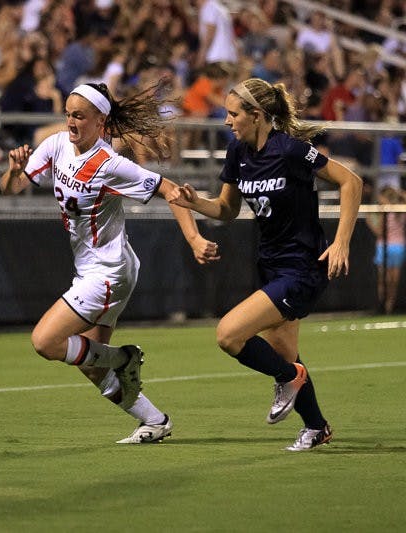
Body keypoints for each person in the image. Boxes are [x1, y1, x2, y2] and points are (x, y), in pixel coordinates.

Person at [0, 81, 220, 444]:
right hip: (96, 268)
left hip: (108, 272)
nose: (71, 123)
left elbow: (171, 190)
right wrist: (13, 170)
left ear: (100, 121)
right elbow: (12, 187)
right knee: (90, 364)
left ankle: (122, 359)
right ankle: (155, 420)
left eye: (80, 116)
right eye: (68, 114)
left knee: (46, 341)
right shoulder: (56, 145)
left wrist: (195, 238)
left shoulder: (109, 165)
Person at [168, 77, 363, 451]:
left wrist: (341, 241)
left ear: (256, 116)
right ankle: (316, 426)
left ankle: (288, 377)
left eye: (233, 113)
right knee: (284, 349)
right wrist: (196, 203)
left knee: (229, 335)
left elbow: (350, 181)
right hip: (270, 266)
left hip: (302, 268)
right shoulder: (237, 153)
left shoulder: (290, 150)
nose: (227, 121)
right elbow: (226, 209)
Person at [367, 186, 406, 315]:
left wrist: (398, 195)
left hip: (398, 246)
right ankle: (382, 306)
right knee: (384, 279)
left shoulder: (401, 209)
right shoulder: (382, 212)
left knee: (393, 281)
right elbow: (378, 231)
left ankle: (389, 307)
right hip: (383, 246)